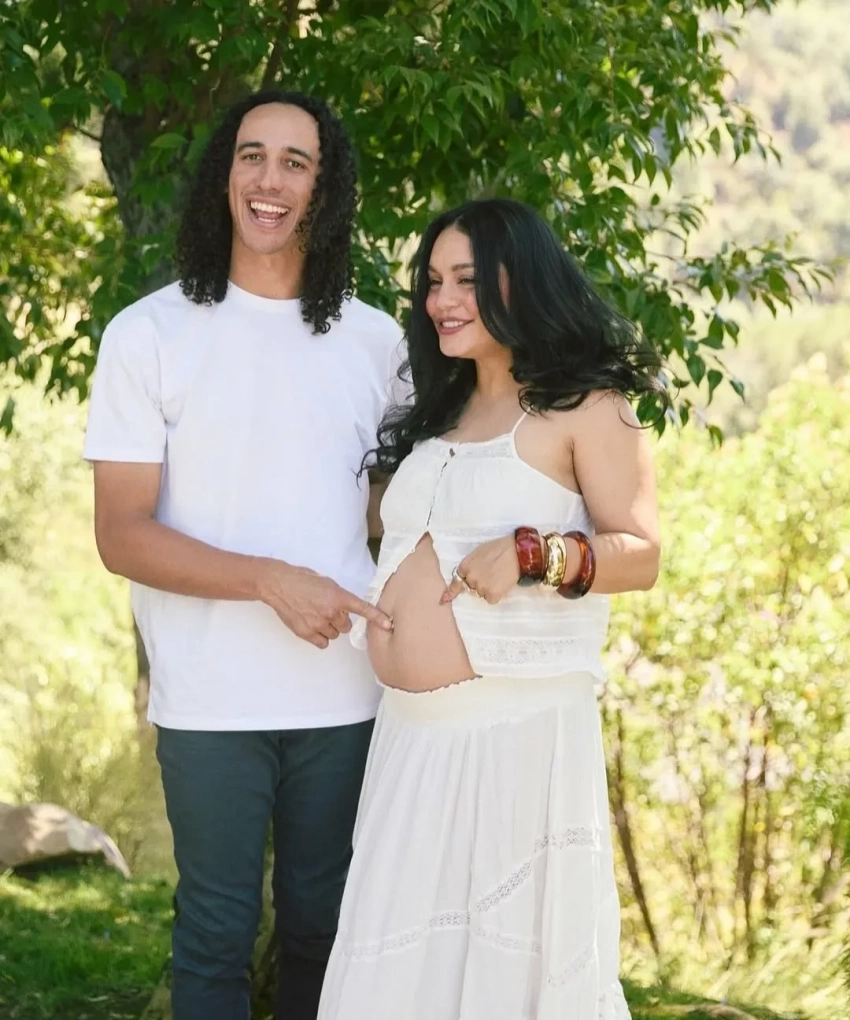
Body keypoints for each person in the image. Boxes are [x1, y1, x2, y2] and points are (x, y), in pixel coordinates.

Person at [83, 90, 406, 1020]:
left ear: (324, 190)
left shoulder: (379, 341)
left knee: (325, 932)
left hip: (345, 689)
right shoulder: (147, 335)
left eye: (295, 162)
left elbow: (396, 507)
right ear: (224, 177)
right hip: (210, 694)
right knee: (215, 934)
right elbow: (121, 533)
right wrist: (270, 580)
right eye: (251, 155)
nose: (270, 179)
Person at [317, 197, 666, 1020]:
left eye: (467, 281)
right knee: (398, 978)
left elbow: (641, 553)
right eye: (434, 281)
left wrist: (533, 554)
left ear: (523, 281)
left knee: (503, 976)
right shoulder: (438, 410)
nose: (442, 300)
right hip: (409, 739)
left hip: (513, 739)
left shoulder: (589, 407)